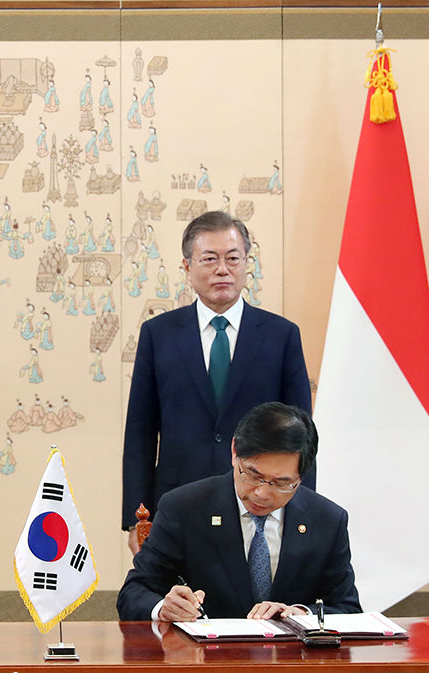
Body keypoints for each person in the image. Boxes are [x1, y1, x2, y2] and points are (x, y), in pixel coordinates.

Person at [122, 211, 312, 554]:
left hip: (260, 501)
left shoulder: (281, 336)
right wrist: (136, 517)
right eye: (209, 259)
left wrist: (302, 513)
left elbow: (301, 436)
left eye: (232, 258)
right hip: (177, 502)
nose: (222, 269)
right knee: (178, 603)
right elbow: (140, 432)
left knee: (255, 604)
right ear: (187, 266)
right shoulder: (158, 335)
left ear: (246, 263)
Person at [118, 403, 359, 621]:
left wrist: (302, 614)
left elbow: (348, 608)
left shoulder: (327, 519)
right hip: (206, 661)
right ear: (234, 452)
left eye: (281, 483)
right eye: (253, 475)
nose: (262, 493)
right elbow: (134, 593)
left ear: (301, 476)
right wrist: (164, 607)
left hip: (292, 664)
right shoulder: (183, 508)